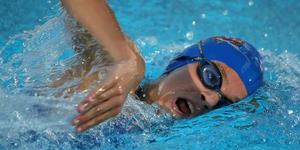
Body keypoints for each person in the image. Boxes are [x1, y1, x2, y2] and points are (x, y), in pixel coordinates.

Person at [59, 0, 263, 133]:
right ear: (186, 60)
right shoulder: (113, 71)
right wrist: (126, 59)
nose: (211, 100)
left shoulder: (151, 135)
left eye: (225, 102)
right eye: (212, 77)